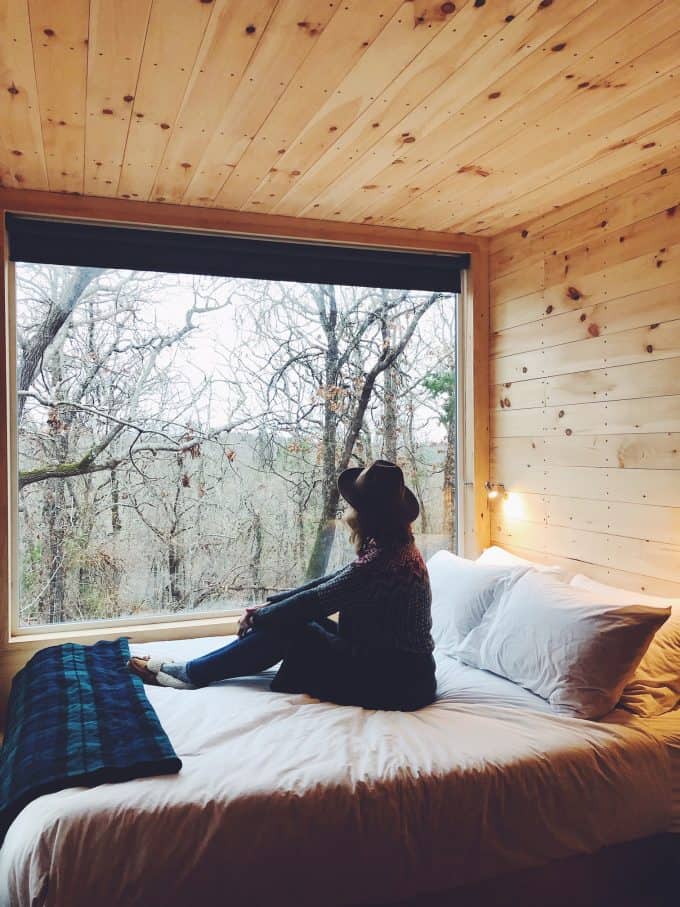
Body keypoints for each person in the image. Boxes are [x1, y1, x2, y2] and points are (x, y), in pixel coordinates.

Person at [128, 460, 436, 711]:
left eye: (353, 506)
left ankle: (192, 673)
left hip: (393, 683)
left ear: (366, 516)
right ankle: (196, 669)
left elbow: (316, 600)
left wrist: (261, 616)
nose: (347, 512)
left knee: (291, 626)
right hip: (401, 671)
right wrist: (269, 606)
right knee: (291, 619)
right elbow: (329, 583)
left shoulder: (381, 563)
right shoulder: (396, 549)